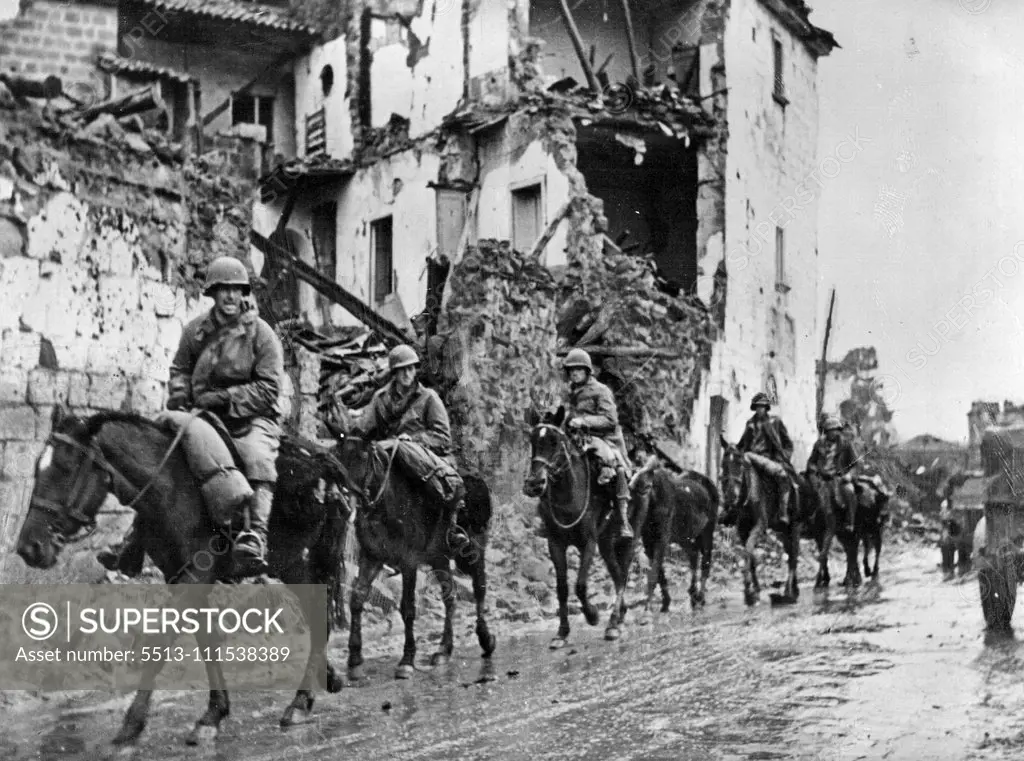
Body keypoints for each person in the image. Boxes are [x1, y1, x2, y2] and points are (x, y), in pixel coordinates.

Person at [97, 256, 284, 578]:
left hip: (251, 418)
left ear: (243, 294)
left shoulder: (261, 334)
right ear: (212, 293)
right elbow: (180, 370)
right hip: (203, 416)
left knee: (256, 456)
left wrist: (226, 398)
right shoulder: (195, 331)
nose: (229, 297)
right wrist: (181, 396)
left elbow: (269, 388)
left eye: (235, 290)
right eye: (222, 289)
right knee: (163, 459)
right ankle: (133, 541)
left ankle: (255, 535)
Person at [355, 344, 470, 550]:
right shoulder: (380, 398)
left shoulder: (429, 398)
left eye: (411, 368)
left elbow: (443, 438)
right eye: (402, 369)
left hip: (426, 459)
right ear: (394, 372)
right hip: (389, 458)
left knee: (438, 489)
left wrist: (415, 440)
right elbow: (363, 428)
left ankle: (449, 531)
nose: (408, 373)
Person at [560, 348, 633, 539]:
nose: (574, 373)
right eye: (571, 370)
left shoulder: (601, 390)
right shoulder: (569, 392)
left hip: (603, 438)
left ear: (587, 371)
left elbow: (611, 419)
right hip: (575, 437)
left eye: (578, 369)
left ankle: (622, 518)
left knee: (612, 465)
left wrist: (584, 421)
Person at [736, 392, 796, 527]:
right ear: (754, 408)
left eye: (762, 407)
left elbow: (788, 444)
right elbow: (741, 444)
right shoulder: (750, 424)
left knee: (784, 479)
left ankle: (783, 512)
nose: (760, 409)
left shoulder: (775, 422)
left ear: (766, 408)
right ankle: (735, 510)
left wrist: (784, 457)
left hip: (770, 460)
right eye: (757, 407)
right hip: (751, 462)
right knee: (740, 482)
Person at [806, 415, 859, 532]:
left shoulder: (846, 444)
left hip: (839, 478)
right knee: (809, 493)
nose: (833, 433)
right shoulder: (819, 444)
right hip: (822, 477)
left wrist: (849, 475)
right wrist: (813, 470)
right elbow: (811, 462)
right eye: (830, 430)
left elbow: (855, 464)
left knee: (849, 491)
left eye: (835, 430)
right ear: (826, 431)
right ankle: (810, 521)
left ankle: (850, 521)